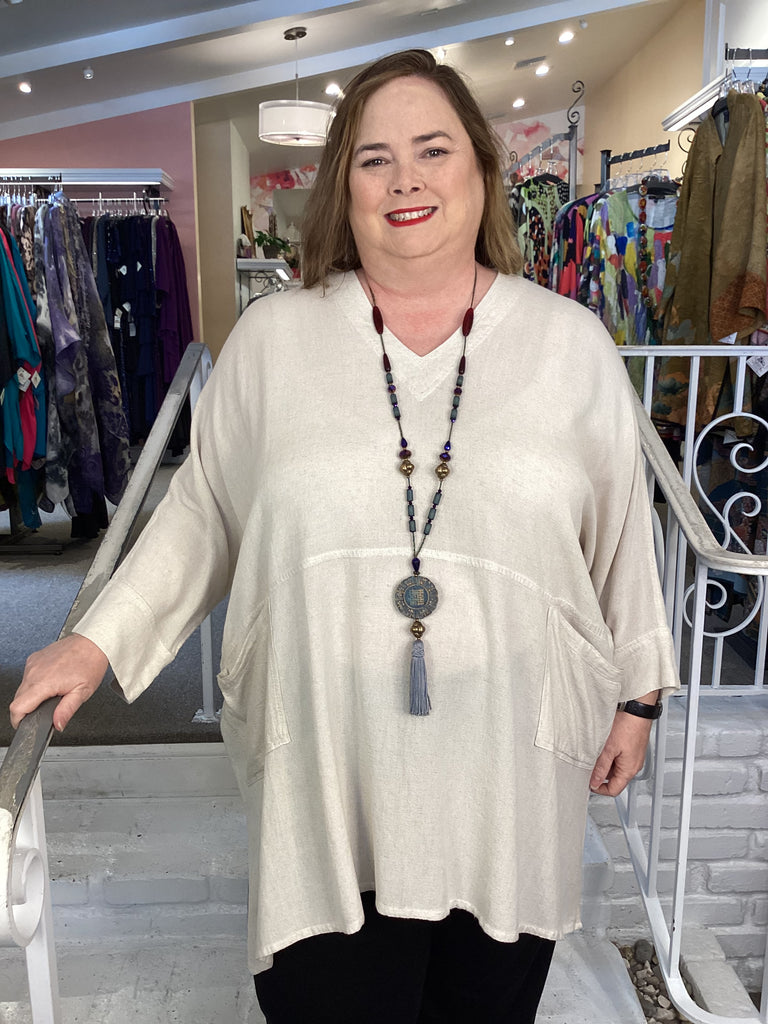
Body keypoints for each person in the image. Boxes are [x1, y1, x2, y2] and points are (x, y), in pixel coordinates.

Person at [11, 49, 679, 1024]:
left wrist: (639, 695)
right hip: (324, 762)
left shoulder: (570, 345)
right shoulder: (274, 342)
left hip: (509, 771)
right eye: (373, 158)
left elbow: (621, 532)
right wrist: (98, 637)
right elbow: (204, 510)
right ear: (343, 188)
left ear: (480, 168)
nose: (405, 179)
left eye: (432, 149)